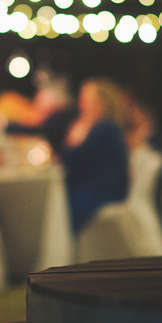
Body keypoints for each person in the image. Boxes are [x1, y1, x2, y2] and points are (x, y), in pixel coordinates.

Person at [59, 77, 129, 234]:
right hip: (103, 189)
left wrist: (73, 140)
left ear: (101, 102)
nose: (81, 104)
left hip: (103, 193)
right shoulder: (107, 127)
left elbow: (69, 161)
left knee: (61, 202)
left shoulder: (104, 128)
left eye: (86, 99)